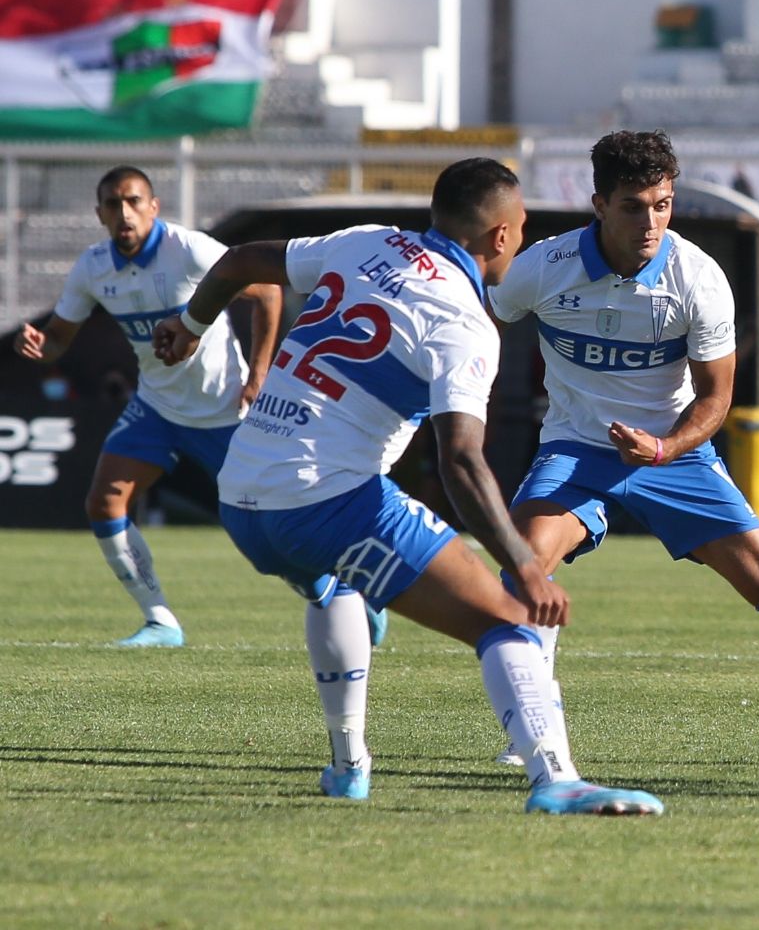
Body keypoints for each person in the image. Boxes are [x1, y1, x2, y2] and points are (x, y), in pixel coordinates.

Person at [152, 158, 660, 815]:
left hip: (243, 493)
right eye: (523, 227)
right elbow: (463, 462)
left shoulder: (364, 241)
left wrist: (190, 328)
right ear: (501, 236)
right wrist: (524, 565)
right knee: (505, 621)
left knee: (334, 583)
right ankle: (555, 778)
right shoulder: (464, 321)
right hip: (327, 500)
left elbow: (241, 259)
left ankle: (348, 766)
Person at [486, 130, 759, 770]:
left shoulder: (696, 277)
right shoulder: (542, 268)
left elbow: (715, 401)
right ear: (598, 203)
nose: (651, 222)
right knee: (524, 568)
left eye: (662, 204)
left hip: (675, 456)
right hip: (576, 451)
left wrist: (665, 447)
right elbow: (486, 315)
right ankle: (536, 722)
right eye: (633, 206)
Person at [12, 166, 283, 647]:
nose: (125, 213)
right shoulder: (94, 267)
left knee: (271, 530)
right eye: (113, 205)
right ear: (99, 214)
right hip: (156, 408)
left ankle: (335, 593)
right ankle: (160, 620)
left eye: (134, 201)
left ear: (153, 207)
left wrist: (260, 375)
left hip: (224, 411)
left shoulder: (191, 250)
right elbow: (58, 342)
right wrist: (39, 345)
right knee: (104, 502)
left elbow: (267, 290)